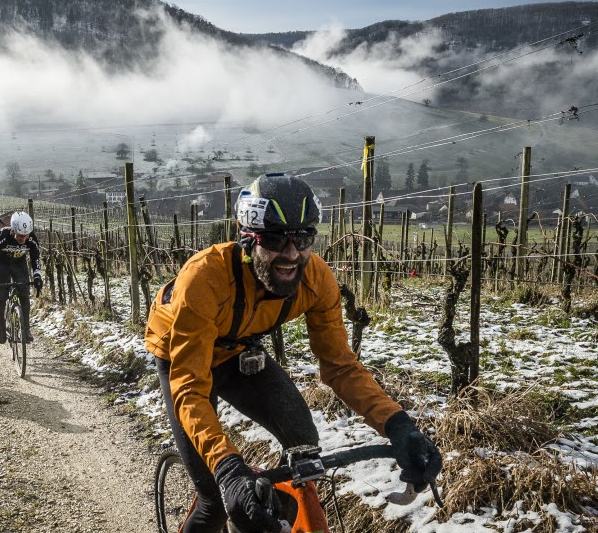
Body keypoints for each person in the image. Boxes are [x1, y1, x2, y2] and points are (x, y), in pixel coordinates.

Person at [145, 172, 442, 533]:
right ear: (248, 239)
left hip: (237, 351)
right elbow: (189, 388)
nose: (290, 254)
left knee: (304, 447)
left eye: (302, 238)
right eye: (274, 239)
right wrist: (227, 467)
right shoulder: (205, 278)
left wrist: (398, 425)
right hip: (180, 356)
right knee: (215, 494)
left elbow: (341, 367)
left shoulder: (317, 280)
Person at [0, 211, 42, 344]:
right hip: (2, 264)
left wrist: (38, 275)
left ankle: (26, 329)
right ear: (12, 231)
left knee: (24, 294)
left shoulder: (31, 238)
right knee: (2, 297)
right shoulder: (3, 236)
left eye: (25, 236)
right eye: (20, 236)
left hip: (18, 264)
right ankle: (1, 329)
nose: (23, 239)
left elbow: (35, 257)